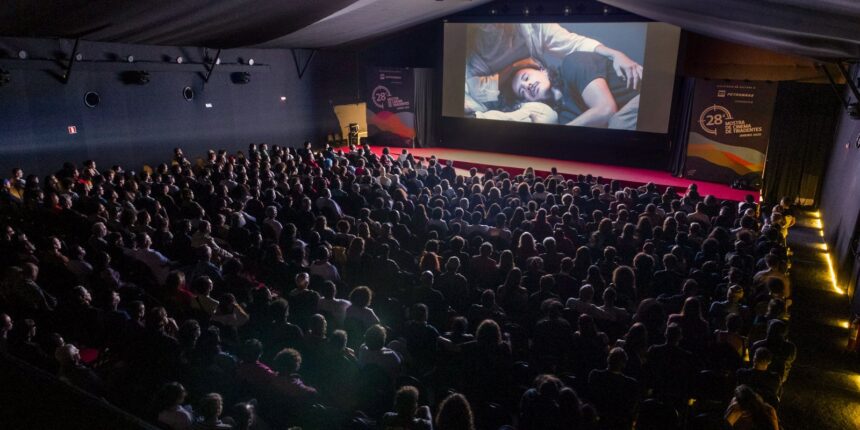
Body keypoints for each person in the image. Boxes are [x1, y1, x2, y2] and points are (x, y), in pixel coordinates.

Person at [465, 23, 643, 114]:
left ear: (541, 69)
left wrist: (615, 54)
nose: (527, 86)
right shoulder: (473, 51)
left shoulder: (574, 64)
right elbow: (475, 89)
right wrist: (515, 66)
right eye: (522, 91)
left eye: (526, 78)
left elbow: (574, 43)